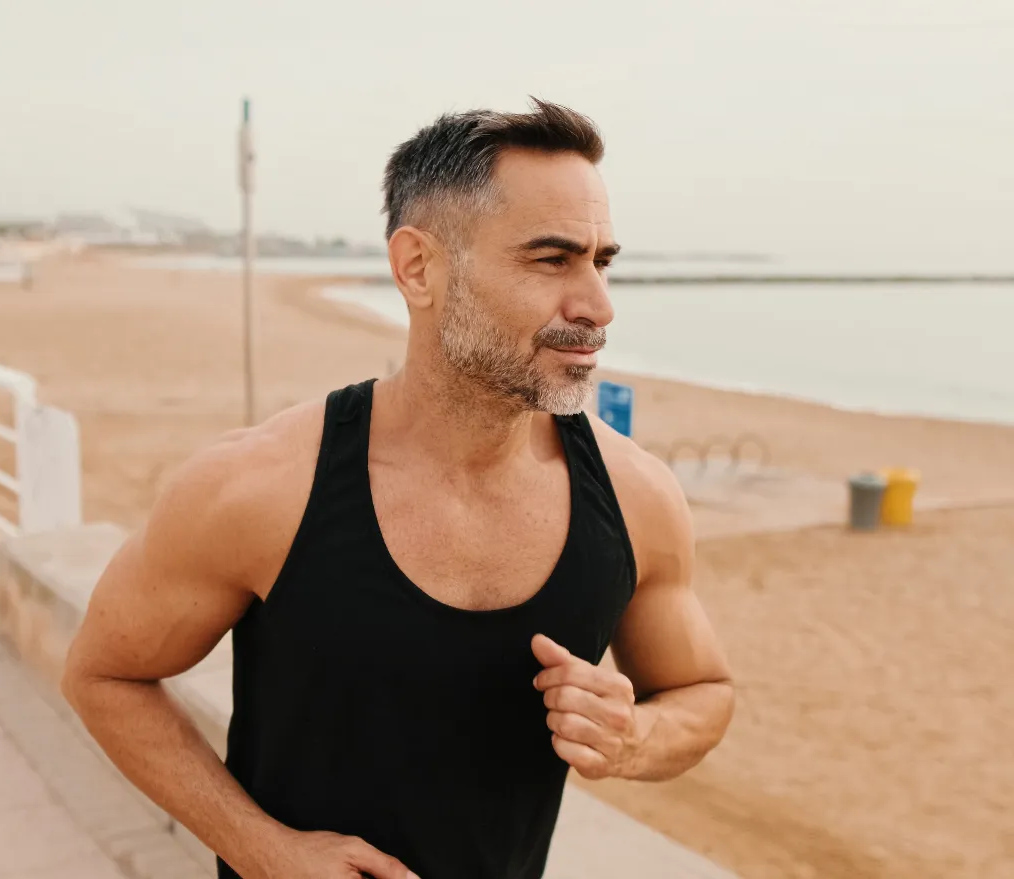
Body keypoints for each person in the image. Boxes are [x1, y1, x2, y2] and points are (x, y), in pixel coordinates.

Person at [62, 98, 734, 879]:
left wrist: (635, 738)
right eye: (552, 260)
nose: (597, 305)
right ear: (419, 268)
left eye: (602, 260)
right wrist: (264, 851)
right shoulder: (261, 487)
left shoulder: (635, 496)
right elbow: (104, 674)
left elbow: (703, 690)